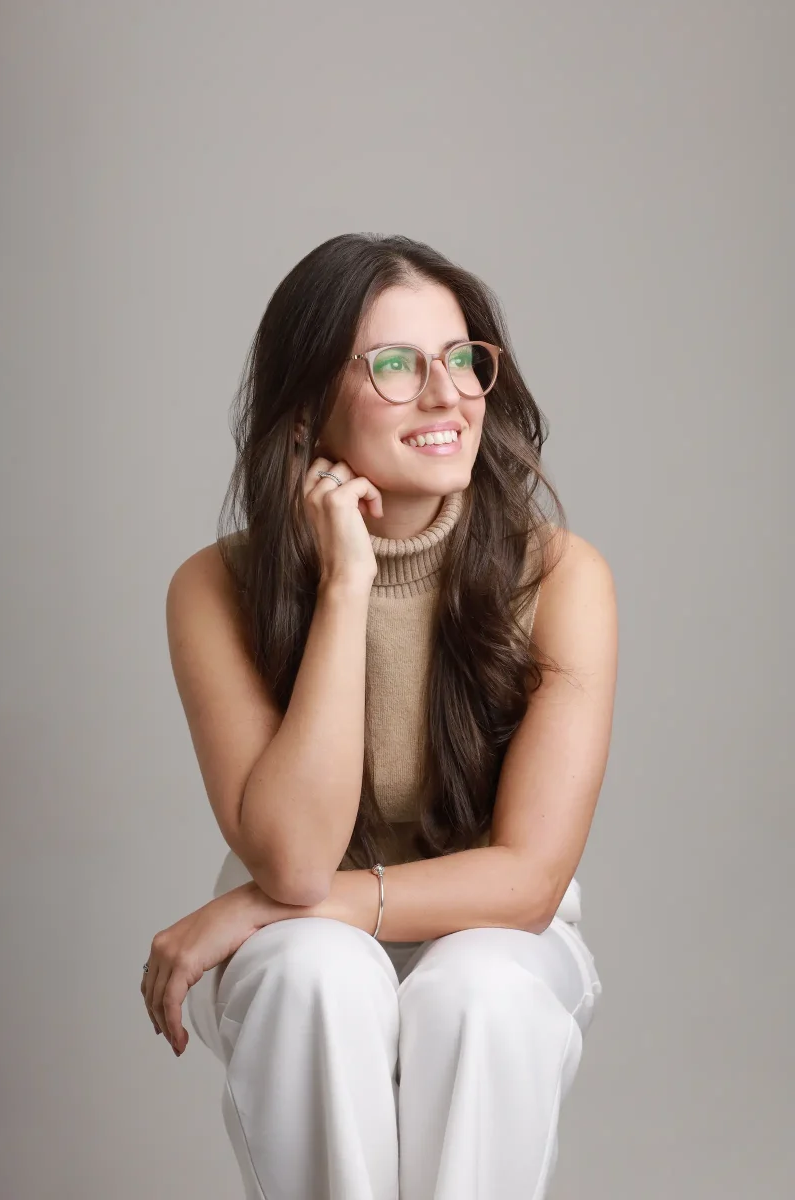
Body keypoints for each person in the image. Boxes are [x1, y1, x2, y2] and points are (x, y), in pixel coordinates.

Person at [140, 232, 617, 1200]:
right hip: (303, 934)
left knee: (480, 990)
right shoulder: (214, 587)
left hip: (498, 931)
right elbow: (294, 860)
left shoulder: (560, 575)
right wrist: (344, 586)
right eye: (395, 366)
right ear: (306, 408)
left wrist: (251, 907)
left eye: (460, 358)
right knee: (311, 972)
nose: (446, 395)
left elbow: (528, 881)